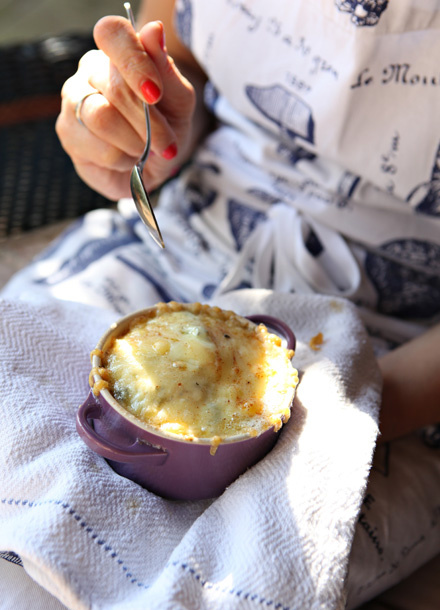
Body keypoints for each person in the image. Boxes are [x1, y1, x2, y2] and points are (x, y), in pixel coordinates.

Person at [53, 0, 440, 445]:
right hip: (168, 246)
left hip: (389, 359)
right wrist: (144, 123)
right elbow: (184, 56)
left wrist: (358, 413)